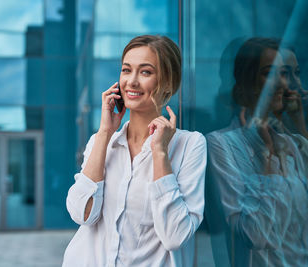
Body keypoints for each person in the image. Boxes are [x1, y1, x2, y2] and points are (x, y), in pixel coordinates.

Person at [63, 35, 206, 267]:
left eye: (145, 72)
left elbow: (175, 236)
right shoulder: (101, 141)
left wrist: (160, 152)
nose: (132, 81)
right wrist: (104, 133)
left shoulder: (190, 145)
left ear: (169, 83)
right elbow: (82, 214)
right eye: (126, 70)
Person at [206, 37, 308, 267]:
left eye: (282, 74)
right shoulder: (221, 145)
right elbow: (256, 235)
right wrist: (268, 160)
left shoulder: (291, 145)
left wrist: (298, 126)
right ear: (245, 83)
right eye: (269, 73)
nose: (282, 83)